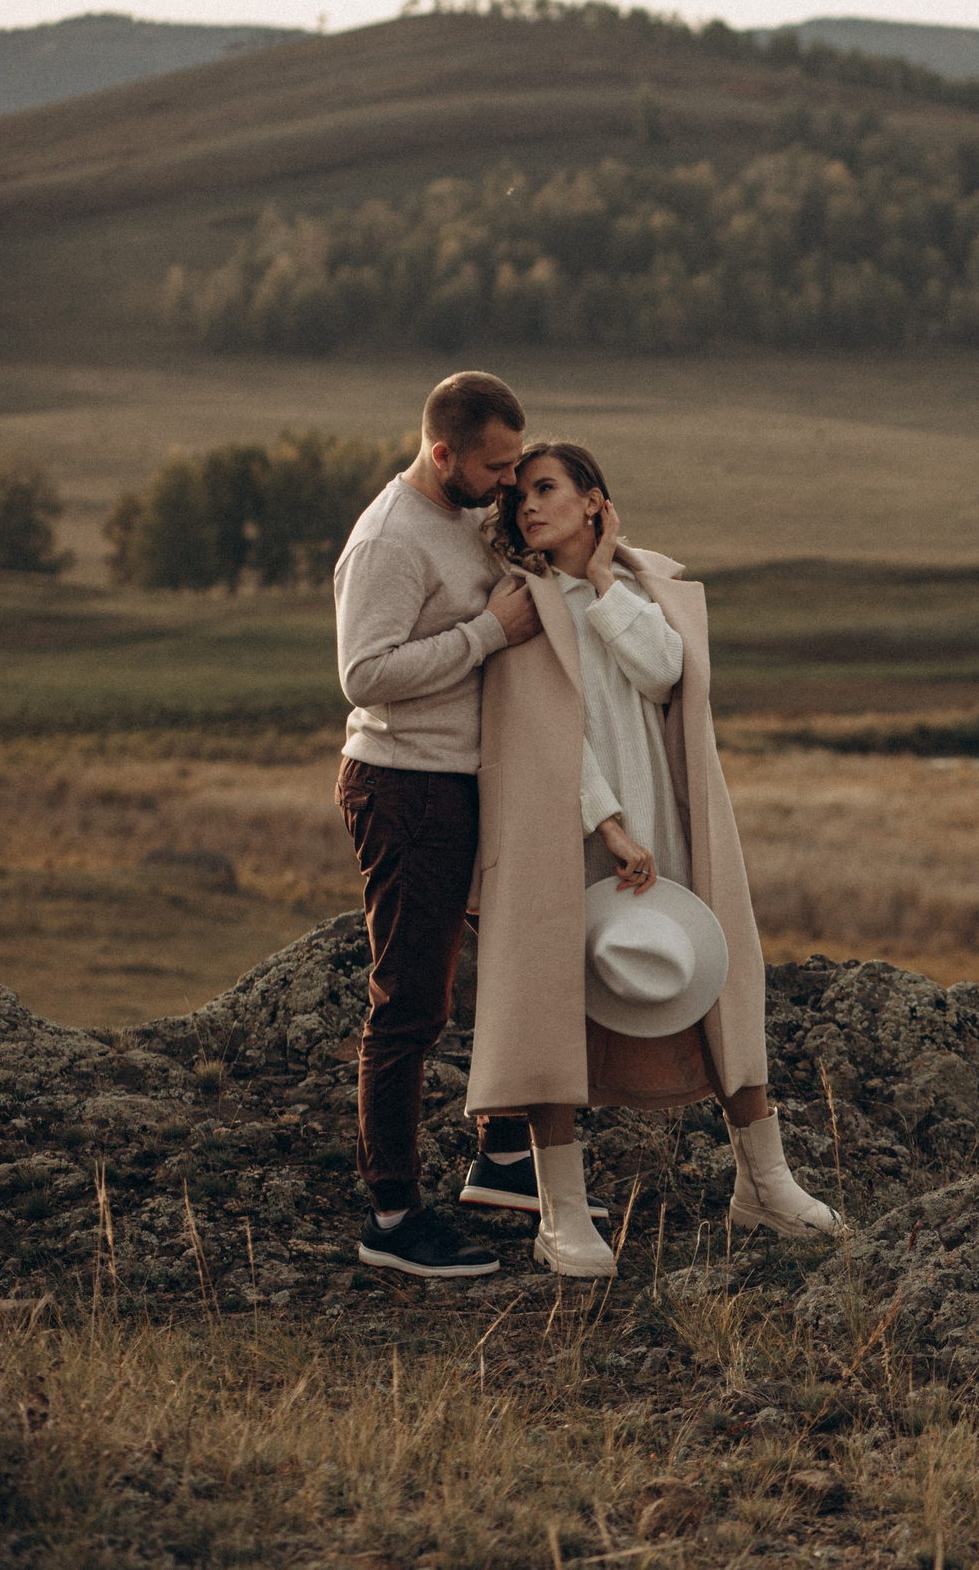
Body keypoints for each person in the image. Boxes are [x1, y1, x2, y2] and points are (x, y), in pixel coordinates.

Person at [465, 441, 841, 1277]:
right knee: (553, 1001)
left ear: (596, 501)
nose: (528, 506)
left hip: (664, 826)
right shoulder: (522, 601)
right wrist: (605, 824)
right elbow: (544, 734)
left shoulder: (635, 588)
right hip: (571, 834)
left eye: (548, 488)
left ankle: (765, 1182)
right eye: (519, 496)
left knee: (715, 978)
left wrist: (603, 580)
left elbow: (666, 674)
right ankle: (561, 1214)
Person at [333, 371, 538, 1279]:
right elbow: (364, 675)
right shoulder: (389, 539)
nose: (506, 482)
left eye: (515, 465)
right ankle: (391, 1217)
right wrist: (488, 635)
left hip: (463, 779)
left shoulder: (465, 511)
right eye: (494, 466)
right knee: (411, 1003)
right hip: (404, 785)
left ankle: (499, 1156)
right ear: (442, 452)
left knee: (506, 963)